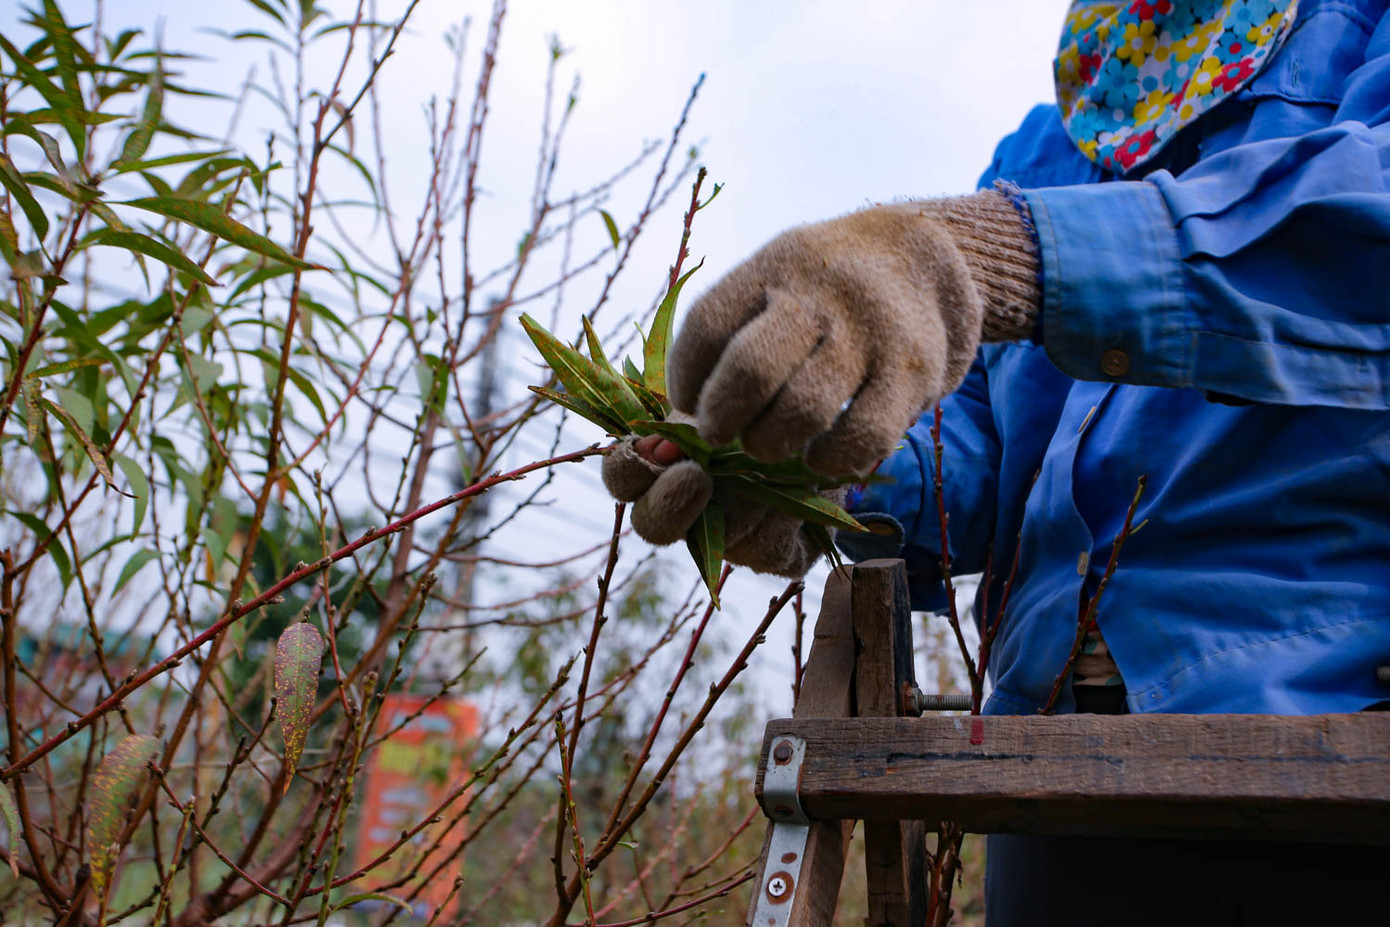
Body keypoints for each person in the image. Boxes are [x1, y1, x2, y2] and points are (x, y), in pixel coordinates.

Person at [602, 1, 1390, 923]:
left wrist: (999, 254)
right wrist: (815, 469)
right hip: (1055, 769)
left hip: (1339, 753)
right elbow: (970, 445)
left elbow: (1357, 226)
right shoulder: (1062, 134)